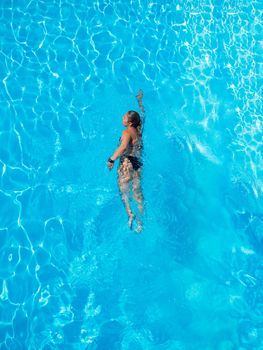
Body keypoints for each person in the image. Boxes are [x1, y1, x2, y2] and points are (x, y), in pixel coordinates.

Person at [107, 90, 145, 233]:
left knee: (123, 190)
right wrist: (140, 101)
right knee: (137, 191)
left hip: (127, 163)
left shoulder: (126, 132)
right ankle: (141, 220)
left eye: (124, 117)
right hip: (138, 162)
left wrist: (111, 159)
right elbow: (143, 115)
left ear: (129, 122)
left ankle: (130, 214)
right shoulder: (138, 128)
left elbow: (123, 147)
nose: (122, 118)